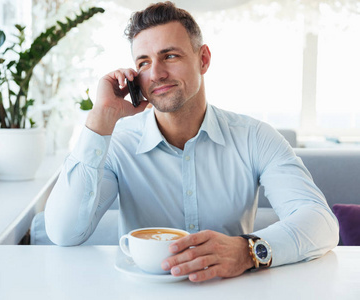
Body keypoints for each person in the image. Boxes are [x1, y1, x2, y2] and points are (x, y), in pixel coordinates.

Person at [45, 1, 339, 282]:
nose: (157, 74)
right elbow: (63, 233)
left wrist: (247, 251)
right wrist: (102, 117)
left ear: (204, 59)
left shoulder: (255, 137)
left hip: (231, 291)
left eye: (169, 56)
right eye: (144, 63)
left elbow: (320, 223)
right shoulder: (118, 144)